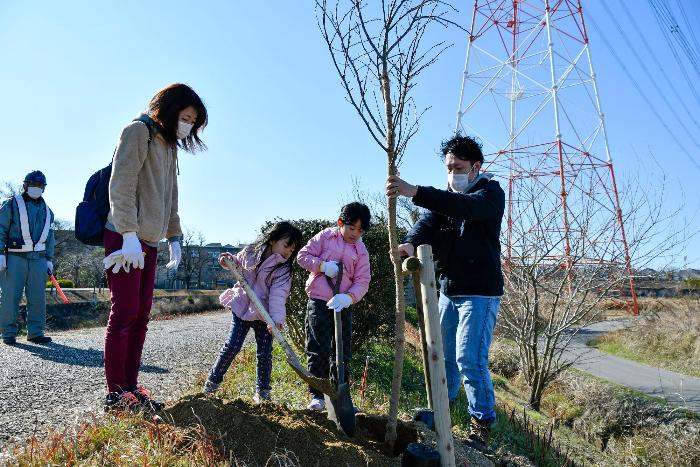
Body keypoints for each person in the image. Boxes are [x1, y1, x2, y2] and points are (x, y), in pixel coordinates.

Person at [386, 134, 505, 447]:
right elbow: (426, 223)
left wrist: (415, 191)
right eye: (449, 168)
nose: (453, 174)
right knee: (445, 357)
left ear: (476, 167)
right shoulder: (448, 199)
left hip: (480, 293)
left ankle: (481, 425)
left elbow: (464, 208)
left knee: (470, 358)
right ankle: (442, 410)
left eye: (459, 167)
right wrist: (409, 242)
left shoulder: (489, 194)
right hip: (449, 291)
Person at [102, 83, 207, 412]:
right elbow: (121, 184)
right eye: (185, 117)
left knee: (142, 316)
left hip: (149, 241)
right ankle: (116, 395)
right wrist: (128, 233)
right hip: (124, 239)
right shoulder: (138, 131)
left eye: (193, 121)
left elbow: (170, 196)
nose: (188, 124)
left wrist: (174, 237)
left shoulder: (169, 145)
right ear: (170, 108)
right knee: (124, 313)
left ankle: (132, 388)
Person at [202, 221, 303, 402]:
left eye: (292, 249)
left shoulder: (284, 270)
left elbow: (278, 296)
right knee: (232, 346)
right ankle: (211, 384)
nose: (289, 252)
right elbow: (237, 263)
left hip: (265, 316)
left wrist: (276, 320)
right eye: (286, 245)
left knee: (264, 353)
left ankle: (263, 394)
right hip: (242, 306)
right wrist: (228, 260)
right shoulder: (252, 251)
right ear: (273, 240)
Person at [297, 202, 371, 411]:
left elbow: (363, 280)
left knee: (341, 351)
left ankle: (339, 395)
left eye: (360, 230)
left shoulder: (361, 250)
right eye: (351, 227)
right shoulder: (325, 237)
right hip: (319, 301)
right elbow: (302, 256)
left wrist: (349, 297)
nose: (355, 233)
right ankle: (317, 395)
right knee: (318, 346)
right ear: (341, 223)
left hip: (343, 305)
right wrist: (322, 266)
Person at [0, 171, 55, 345]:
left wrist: (49, 259)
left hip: (39, 259)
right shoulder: (11, 204)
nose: (36, 188)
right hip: (14, 258)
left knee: (38, 298)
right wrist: (0, 253)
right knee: (10, 297)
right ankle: (8, 333)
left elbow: (50, 237)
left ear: (44, 188)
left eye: (40, 185)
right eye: (33, 184)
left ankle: (36, 333)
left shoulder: (48, 211)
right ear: (25, 185)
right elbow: (0, 228)